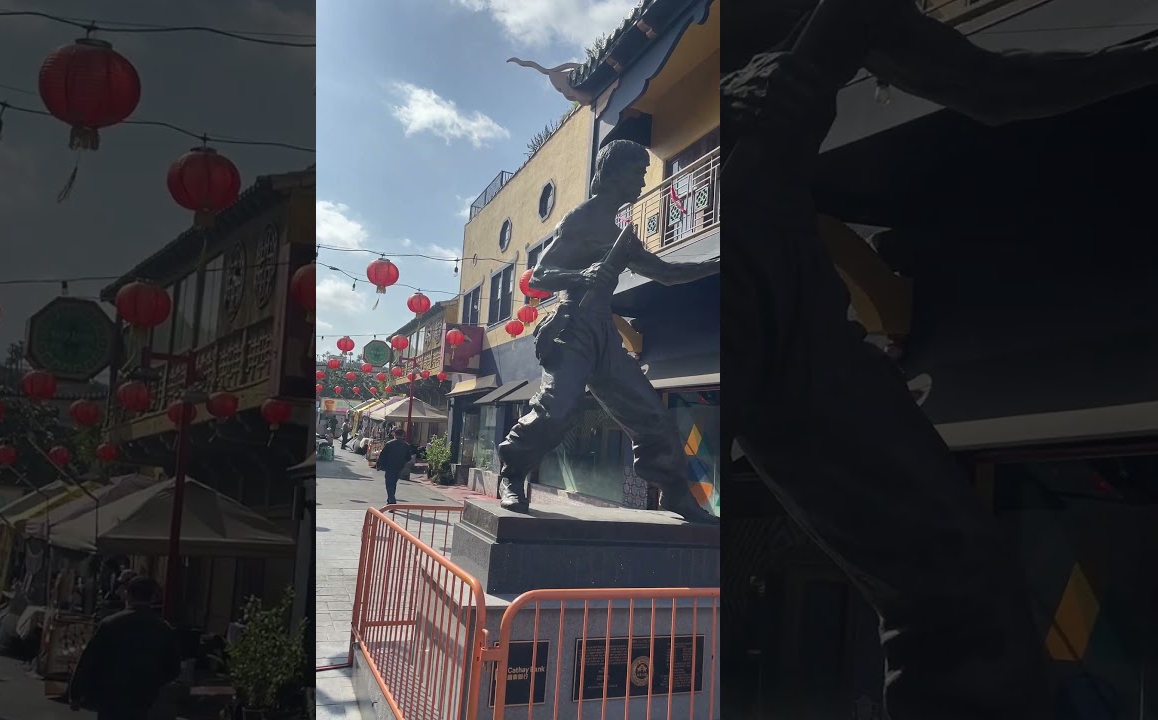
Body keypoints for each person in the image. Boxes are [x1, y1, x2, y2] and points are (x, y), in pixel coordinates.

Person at [722, 1, 1158, 717]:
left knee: (962, 579)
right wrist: (725, 103)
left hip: (795, 279)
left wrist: (1145, 60)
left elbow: (993, 86)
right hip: (738, 260)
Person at [495, 139, 719, 525]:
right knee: (557, 411)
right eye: (637, 172)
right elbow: (541, 277)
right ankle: (513, 473)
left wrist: (717, 261)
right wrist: (579, 274)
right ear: (612, 174)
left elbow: (667, 273)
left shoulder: (623, 237)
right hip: (573, 329)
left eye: (645, 173)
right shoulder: (581, 219)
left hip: (605, 333)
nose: (642, 180)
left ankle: (676, 493)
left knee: (653, 416)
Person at [68, 576, 182, 720]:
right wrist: (153, 681)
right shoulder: (163, 629)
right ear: (153, 597)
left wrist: (76, 694)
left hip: (110, 696)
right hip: (142, 698)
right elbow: (173, 668)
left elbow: (88, 661)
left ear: (128, 594)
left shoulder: (110, 624)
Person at [375, 428, 413, 506]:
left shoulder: (389, 444)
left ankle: (392, 501)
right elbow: (409, 457)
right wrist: (402, 462)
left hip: (389, 466)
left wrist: (378, 465)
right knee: (393, 483)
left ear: (394, 434)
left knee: (389, 484)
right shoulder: (406, 445)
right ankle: (390, 500)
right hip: (399, 467)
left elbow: (383, 455)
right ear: (403, 435)